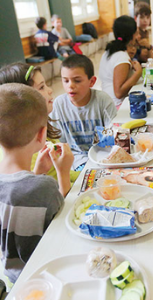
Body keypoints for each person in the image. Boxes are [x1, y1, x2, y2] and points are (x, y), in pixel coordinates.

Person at [0, 83, 72, 283]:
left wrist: (36, 172)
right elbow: (65, 220)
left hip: (13, 278)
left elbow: (15, 197)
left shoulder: (34, 185)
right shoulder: (43, 188)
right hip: (46, 276)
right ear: (42, 135)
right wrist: (62, 173)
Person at [0, 63, 79, 183]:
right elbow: (41, 192)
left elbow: (64, 174)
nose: (50, 90)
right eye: (42, 87)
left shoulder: (41, 124)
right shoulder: (25, 150)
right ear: (25, 99)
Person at [51, 55, 117, 171]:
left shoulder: (103, 100)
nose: (70, 85)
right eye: (65, 80)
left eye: (77, 80)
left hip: (103, 154)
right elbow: (57, 142)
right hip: (76, 159)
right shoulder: (59, 104)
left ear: (91, 81)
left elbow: (114, 131)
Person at [99, 16, 142, 107]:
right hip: (117, 107)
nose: (138, 36)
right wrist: (138, 72)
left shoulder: (109, 52)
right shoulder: (122, 57)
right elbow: (118, 93)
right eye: (136, 33)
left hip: (108, 104)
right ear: (132, 35)